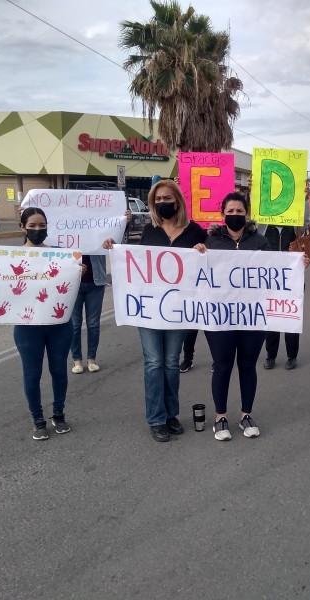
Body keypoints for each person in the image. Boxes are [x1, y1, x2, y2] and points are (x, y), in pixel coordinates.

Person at [195, 192, 308, 441]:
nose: (235, 216)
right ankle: (220, 417)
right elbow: (196, 275)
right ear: (222, 214)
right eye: (230, 212)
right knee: (222, 366)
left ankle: (246, 414)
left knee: (247, 366)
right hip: (220, 317)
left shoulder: (260, 241)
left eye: (239, 212)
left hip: (253, 317)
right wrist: (197, 253)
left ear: (246, 214)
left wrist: (297, 266)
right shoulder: (211, 241)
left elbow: (275, 270)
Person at [104, 179, 206, 442]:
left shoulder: (195, 232)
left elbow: (209, 266)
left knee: (171, 363)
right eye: (158, 200)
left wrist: (203, 252)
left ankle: (171, 414)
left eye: (167, 198)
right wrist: (111, 247)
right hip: (149, 309)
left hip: (179, 310)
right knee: (153, 363)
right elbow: (135, 262)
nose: (163, 203)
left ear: (178, 201)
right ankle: (156, 418)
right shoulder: (149, 231)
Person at [0, 207, 82, 440]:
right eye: (32, 226)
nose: (38, 230)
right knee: (32, 374)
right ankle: (38, 419)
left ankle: (58, 414)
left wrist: (78, 272)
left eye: (42, 225)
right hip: (28, 329)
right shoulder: (9, 258)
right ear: (22, 228)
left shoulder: (62, 255)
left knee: (59, 370)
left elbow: (70, 285)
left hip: (59, 325)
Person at [260, 188, 310, 370]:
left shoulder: (295, 227)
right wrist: (253, 192)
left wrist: (304, 199)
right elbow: (252, 219)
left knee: (290, 318)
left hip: (292, 280)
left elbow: (305, 222)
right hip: (269, 280)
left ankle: (292, 356)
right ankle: (270, 355)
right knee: (271, 319)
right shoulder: (265, 227)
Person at [70, 254, 106, 374]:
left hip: (96, 282)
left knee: (93, 324)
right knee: (75, 325)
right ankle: (77, 360)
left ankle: (91, 360)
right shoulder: (68, 235)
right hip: (73, 282)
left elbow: (114, 243)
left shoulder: (100, 234)